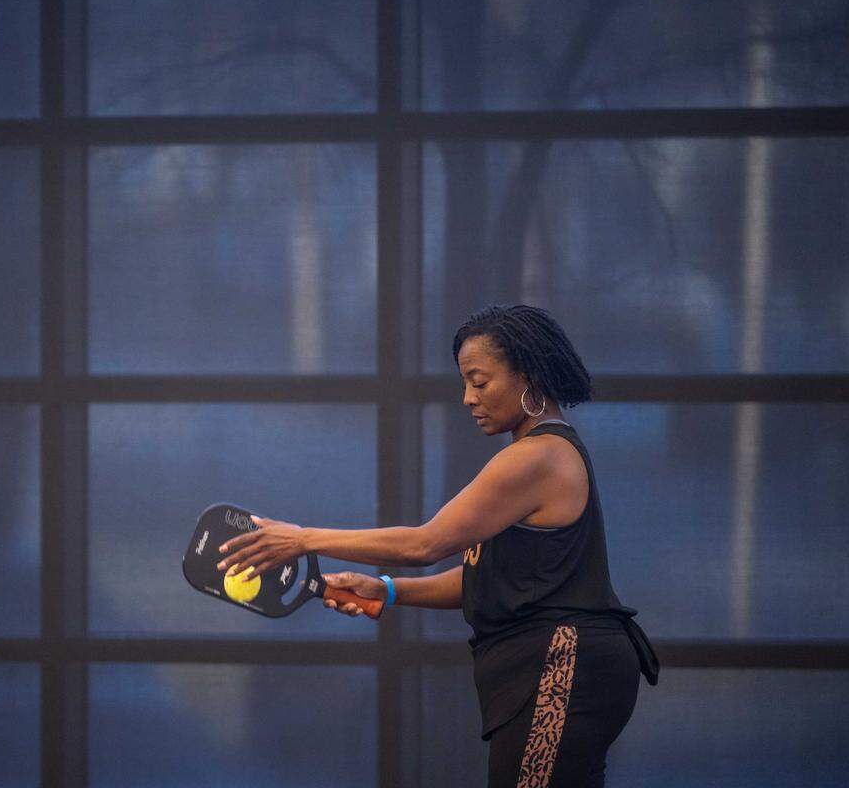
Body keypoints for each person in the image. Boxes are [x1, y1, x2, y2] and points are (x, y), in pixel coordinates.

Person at [215, 303, 659, 788]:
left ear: (527, 374)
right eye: (464, 383)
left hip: (563, 665)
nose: (468, 398)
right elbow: (485, 577)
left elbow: (424, 543)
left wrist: (300, 539)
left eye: (480, 380)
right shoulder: (532, 455)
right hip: (560, 667)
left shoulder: (539, 457)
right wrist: (387, 590)